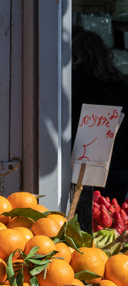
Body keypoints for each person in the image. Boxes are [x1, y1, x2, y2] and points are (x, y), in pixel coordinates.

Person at [72, 30, 128, 231]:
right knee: (115, 218)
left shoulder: (74, 80)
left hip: (84, 160)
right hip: (119, 163)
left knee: (85, 219)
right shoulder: (120, 84)